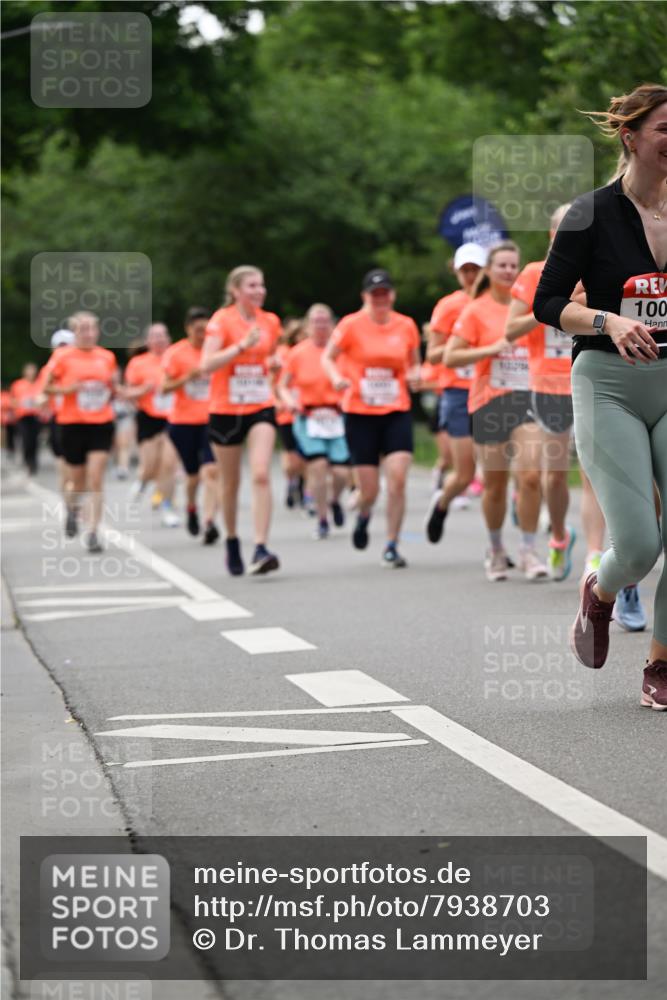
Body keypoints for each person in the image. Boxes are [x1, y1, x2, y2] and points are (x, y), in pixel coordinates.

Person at [534, 83, 667, 709]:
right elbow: (547, 302)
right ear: (631, 135)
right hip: (607, 383)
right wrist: (607, 321)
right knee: (640, 542)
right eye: (666, 128)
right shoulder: (591, 212)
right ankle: (601, 588)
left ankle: (661, 665)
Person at [445, 241, 549, 582]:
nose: (507, 270)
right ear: (489, 271)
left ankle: (529, 549)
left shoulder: (532, 306)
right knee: (494, 483)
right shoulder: (476, 310)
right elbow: (451, 357)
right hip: (489, 401)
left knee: (531, 476)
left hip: (527, 399)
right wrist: (491, 348)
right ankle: (495, 548)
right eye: (501, 265)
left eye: (512, 265)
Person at [322, 268, 421, 568]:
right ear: (365, 297)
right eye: (374, 294)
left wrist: (416, 375)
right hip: (360, 413)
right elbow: (327, 357)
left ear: (392, 295)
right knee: (369, 491)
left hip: (396, 411)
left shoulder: (406, 325)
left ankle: (391, 544)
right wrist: (337, 378)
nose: (380, 299)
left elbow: (414, 363)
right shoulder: (351, 325)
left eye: (385, 293)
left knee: (398, 480)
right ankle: (364, 513)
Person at [505, 205, 577, 580]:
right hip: (548, 386)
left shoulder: (596, 269)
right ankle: (559, 538)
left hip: (593, 377)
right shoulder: (534, 273)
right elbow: (509, 331)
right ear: (553, 235)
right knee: (550, 476)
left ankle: (613, 554)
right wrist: (550, 310)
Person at [201, 266, 281, 575]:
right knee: (230, 482)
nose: (259, 291)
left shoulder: (270, 321)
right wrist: (240, 347)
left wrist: (272, 363)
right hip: (225, 409)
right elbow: (206, 365)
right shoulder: (221, 322)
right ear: (235, 291)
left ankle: (260, 547)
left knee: (261, 473)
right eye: (252, 286)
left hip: (260, 405)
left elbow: (270, 356)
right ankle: (232, 539)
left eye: (261, 285)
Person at [424, 242, 487, 545]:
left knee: (503, 470)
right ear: (457, 273)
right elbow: (433, 354)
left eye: (476, 269)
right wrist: (463, 346)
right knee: (464, 473)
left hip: (492, 389)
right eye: (466, 270)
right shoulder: (449, 306)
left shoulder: (498, 303)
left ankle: (498, 543)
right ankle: (442, 503)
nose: (471, 275)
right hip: (459, 393)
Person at [42, 311, 119, 552]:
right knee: (77, 481)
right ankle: (71, 509)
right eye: (82, 329)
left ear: (97, 331)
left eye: (91, 329)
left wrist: (115, 391)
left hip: (100, 423)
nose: (87, 333)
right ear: (74, 333)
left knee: (96, 478)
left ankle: (94, 532)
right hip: (72, 424)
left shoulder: (107, 357)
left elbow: (112, 387)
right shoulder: (62, 357)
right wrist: (67, 389)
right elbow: (47, 388)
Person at [279, 303, 350, 539]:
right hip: (308, 417)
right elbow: (283, 385)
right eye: (316, 322)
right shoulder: (297, 352)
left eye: (325, 322)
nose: (320, 327)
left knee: (341, 473)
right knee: (318, 467)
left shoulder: (342, 351)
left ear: (332, 325)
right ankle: (321, 518)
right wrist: (290, 401)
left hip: (336, 417)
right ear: (308, 326)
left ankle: (334, 500)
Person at [161, 307, 220, 545]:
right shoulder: (176, 354)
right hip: (182, 422)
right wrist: (188, 377)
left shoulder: (216, 352)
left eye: (206, 330)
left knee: (211, 472)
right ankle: (192, 507)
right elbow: (164, 388)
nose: (202, 335)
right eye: (198, 331)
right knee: (193, 476)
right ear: (188, 330)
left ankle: (209, 522)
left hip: (213, 419)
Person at [125, 323, 181, 527]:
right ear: (148, 341)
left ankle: (167, 507)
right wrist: (142, 390)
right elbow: (128, 393)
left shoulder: (176, 358)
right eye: (154, 337)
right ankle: (142, 481)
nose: (158, 340)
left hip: (174, 417)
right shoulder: (138, 363)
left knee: (169, 464)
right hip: (148, 417)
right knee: (150, 465)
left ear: (168, 339)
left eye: (162, 336)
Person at [34, 328, 76, 493]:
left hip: (83, 422)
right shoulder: (47, 370)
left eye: (66, 346)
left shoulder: (82, 366)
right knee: (65, 469)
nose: (63, 351)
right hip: (59, 421)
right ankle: (70, 508)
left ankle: (74, 501)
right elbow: (40, 394)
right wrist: (41, 402)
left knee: (81, 471)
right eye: (60, 347)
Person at [274, 318, 307, 510]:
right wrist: (277, 400)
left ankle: (303, 488)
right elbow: (273, 381)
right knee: (292, 458)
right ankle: (291, 482)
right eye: (299, 334)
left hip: (305, 411)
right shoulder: (282, 353)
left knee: (306, 456)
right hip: (286, 412)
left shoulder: (311, 352)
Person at [10, 363, 42, 475]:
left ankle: (33, 461)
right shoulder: (17, 385)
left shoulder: (39, 384)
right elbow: (12, 401)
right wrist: (20, 403)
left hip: (35, 416)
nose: (31, 373)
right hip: (23, 417)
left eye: (33, 370)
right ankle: (28, 461)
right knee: (26, 439)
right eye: (29, 370)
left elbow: (43, 399)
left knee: (34, 440)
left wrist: (39, 403)